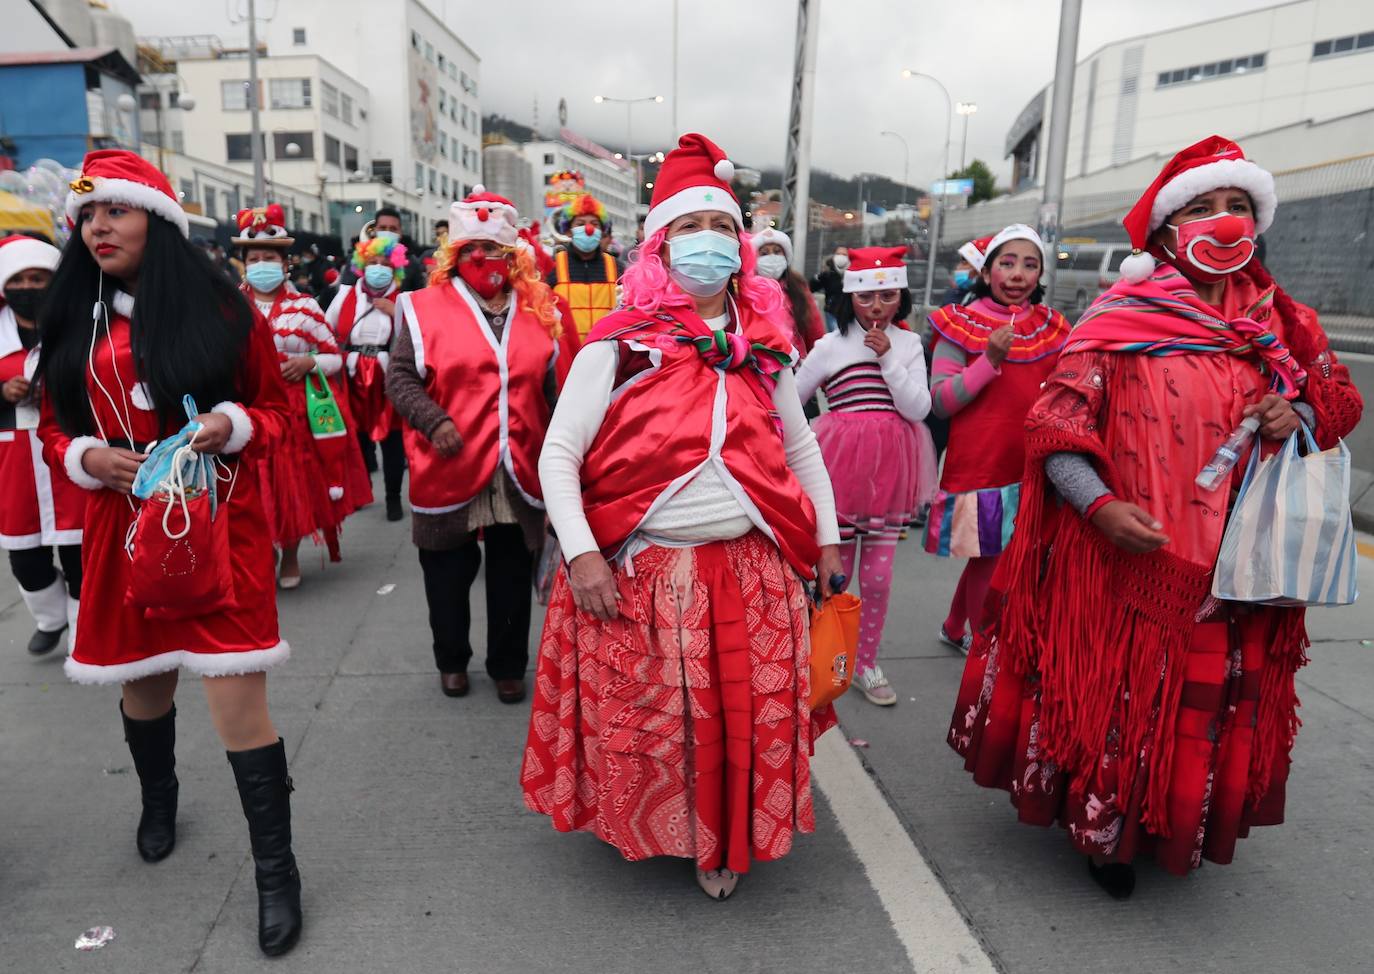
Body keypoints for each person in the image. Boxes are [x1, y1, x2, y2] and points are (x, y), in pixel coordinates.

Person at [948, 136, 1363, 898]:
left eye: (1239, 206)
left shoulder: (1285, 324)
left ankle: (1182, 822)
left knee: (1202, 709)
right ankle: (1108, 838)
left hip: (1242, 567)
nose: (1226, 221)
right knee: (1125, 705)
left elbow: (1337, 406)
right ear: (1168, 233)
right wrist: (1099, 507)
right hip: (1132, 560)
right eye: (1204, 207)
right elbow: (1055, 426)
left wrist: (1294, 407)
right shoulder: (1120, 316)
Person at [522, 134, 843, 902]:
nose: (708, 245)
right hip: (645, 571)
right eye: (690, 231)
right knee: (664, 725)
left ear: (743, 245)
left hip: (752, 569)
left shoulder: (765, 350)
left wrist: (827, 540)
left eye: (723, 229)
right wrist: (582, 555)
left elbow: (802, 454)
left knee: (737, 721)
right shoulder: (622, 345)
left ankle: (722, 843)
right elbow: (557, 457)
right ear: (659, 247)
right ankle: (661, 827)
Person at [36, 150, 302, 955]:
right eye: (87, 216)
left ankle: (276, 872)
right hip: (121, 530)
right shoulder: (71, 317)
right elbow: (50, 431)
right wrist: (86, 457)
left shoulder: (223, 311)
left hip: (218, 519)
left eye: (114, 211)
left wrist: (233, 425)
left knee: (237, 705)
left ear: (157, 217)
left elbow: (277, 410)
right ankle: (159, 798)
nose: (98, 227)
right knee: (143, 690)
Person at [387, 188, 564, 703]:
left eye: (493, 251)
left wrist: (563, 456)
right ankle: (452, 659)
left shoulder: (540, 312)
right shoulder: (422, 308)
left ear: (514, 259)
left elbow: (553, 394)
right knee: (447, 569)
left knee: (511, 569)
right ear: (455, 256)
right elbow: (400, 379)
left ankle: (508, 664)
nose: (482, 260)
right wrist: (433, 421)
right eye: (470, 250)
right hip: (449, 460)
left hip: (517, 465)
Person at [795, 246, 936, 706]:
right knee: (839, 571)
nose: (877, 307)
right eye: (867, 298)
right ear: (849, 298)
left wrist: (890, 360)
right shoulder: (829, 345)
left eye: (888, 296)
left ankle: (867, 663)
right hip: (838, 470)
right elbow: (792, 397)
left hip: (891, 473)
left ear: (901, 297)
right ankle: (828, 655)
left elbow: (918, 408)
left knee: (878, 577)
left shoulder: (910, 344)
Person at [924, 224, 1070, 653]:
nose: (1018, 273)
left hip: (1033, 464)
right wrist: (989, 360)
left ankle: (954, 626)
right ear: (986, 274)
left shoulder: (1054, 327)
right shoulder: (958, 325)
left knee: (1000, 556)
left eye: (1030, 264)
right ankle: (984, 645)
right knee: (988, 557)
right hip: (980, 465)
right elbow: (941, 402)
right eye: (1007, 263)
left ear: (1040, 275)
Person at [234, 204, 372, 586]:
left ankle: (290, 553)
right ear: (244, 263)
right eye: (255, 258)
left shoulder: (306, 307)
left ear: (285, 264)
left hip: (294, 412)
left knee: (291, 483)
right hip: (247, 410)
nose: (262, 264)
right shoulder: (228, 308)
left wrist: (308, 364)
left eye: (270, 258)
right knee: (253, 485)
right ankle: (266, 548)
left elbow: (333, 356)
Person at [0, 234, 85, 655]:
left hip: (69, 455)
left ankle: (83, 632)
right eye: (20, 279)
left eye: (39, 278)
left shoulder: (80, 325)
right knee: (26, 559)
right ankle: (52, 618)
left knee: (79, 555)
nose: (29, 287)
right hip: (13, 464)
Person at [326, 234, 407, 521]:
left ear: (395, 268)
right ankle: (360, 492)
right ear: (362, 264)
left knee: (393, 440)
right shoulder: (345, 295)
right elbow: (325, 331)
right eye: (373, 262)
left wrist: (396, 312)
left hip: (390, 376)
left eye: (385, 263)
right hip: (351, 374)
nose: (379, 267)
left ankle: (394, 497)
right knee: (357, 439)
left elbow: (419, 338)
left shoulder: (404, 300)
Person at [547, 193, 620, 343]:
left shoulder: (617, 267)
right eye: (580, 224)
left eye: (595, 224)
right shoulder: (553, 265)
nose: (588, 229)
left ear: (602, 231)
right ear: (568, 230)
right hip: (566, 352)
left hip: (606, 352)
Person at [749, 227, 825, 358]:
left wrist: (819, 359)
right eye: (764, 253)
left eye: (777, 252)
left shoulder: (798, 287)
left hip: (794, 362)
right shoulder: (747, 291)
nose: (772, 257)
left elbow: (814, 328)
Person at [809, 245, 849, 330]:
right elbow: (811, 287)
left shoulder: (852, 273)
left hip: (848, 313)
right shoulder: (828, 274)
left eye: (844, 254)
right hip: (832, 311)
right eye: (838, 254)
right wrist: (818, 277)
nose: (841, 256)